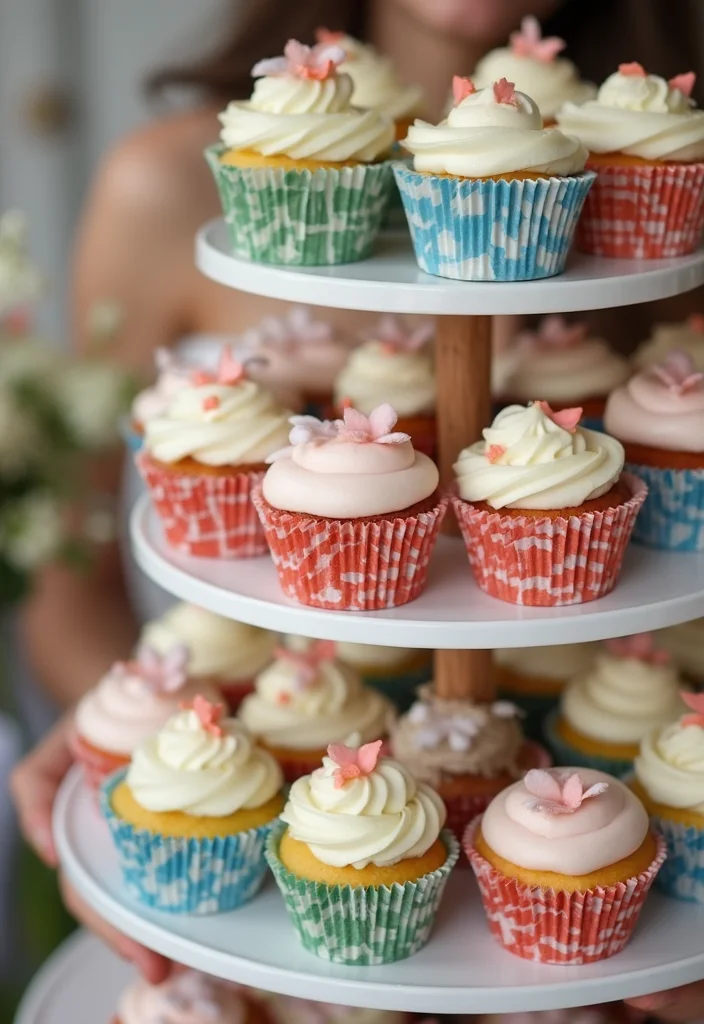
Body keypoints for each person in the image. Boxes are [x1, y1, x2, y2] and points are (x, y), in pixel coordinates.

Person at [11, 0, 704, 1015]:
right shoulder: (164, 184)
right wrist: (129, 748)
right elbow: (70, 591)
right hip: (268, 793)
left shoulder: (659, 189)